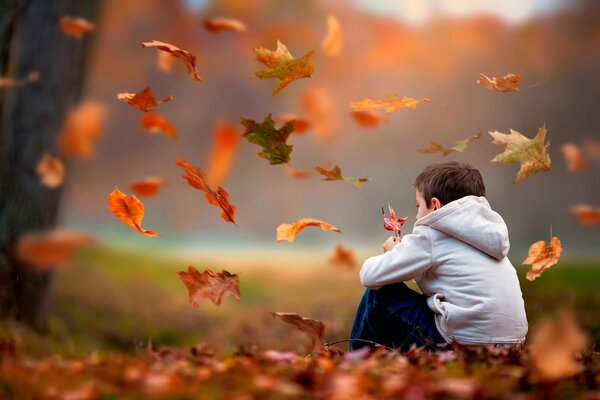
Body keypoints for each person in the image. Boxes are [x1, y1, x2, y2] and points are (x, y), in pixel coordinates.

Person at [349, 161, 528, 352]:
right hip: (511, 345)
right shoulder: (488, 236)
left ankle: (357, 362)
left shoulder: (432, 235)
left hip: (460, 345)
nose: (417, 217)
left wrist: (391, 254)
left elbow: (369, 276)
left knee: (380, 291)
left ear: (435, 205)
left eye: (418, 206)